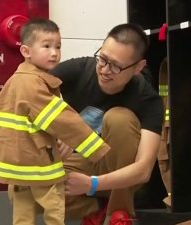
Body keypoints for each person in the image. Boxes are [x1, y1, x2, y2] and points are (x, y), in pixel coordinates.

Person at [0, 18, 111, 225]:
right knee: (54, 209)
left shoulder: (15, 81)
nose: (54, 52)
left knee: (22, 215)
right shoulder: (33, 84)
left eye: (58, 46)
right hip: (37, 163)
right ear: (26, 52)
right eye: (46, 46)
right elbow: (63, 120)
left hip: (16, 166)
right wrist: (96, 148)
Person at [49, 23, 164, 225]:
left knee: (118, 118)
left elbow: (144, 170)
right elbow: (27, 93)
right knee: (26, 189)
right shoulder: (78, 70)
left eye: (116, 66)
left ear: (138, 67)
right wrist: (63, 130)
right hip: (81, 164)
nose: (104, 70)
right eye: (102, 58)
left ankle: (119, 214)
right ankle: (98, 210)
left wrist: (92, 185)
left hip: (120, 170)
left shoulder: (147, 100)